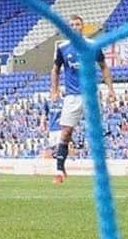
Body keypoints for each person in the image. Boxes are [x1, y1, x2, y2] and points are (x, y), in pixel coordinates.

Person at [49, 15, 115, 184]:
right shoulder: (63, 47)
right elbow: (55, 69)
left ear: (82, 27)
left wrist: (110, 89)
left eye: (77, 24)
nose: (74, 27)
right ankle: (59, 169)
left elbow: (104, 67)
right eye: (71, 25)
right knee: (66, 132)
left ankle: (101, 171)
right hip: (72, 97)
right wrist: (54, 90)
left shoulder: (92, 46)